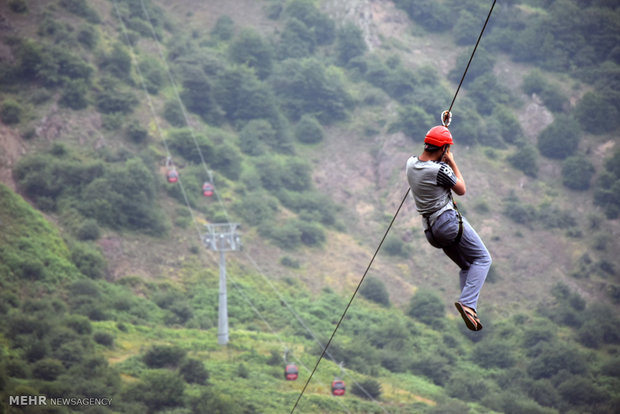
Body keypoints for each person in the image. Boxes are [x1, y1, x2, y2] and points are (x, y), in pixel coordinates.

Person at [405, 125, 492, 331]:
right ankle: (468, 303)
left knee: (467, 267)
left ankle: (469, 308)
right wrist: (451, 161)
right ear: (443, 149)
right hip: (448, 223)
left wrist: (442, 139)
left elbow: (428, 158)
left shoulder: (410, 164)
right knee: (483, 259)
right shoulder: (440, 170)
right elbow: (461, 189)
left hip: (431, 231)